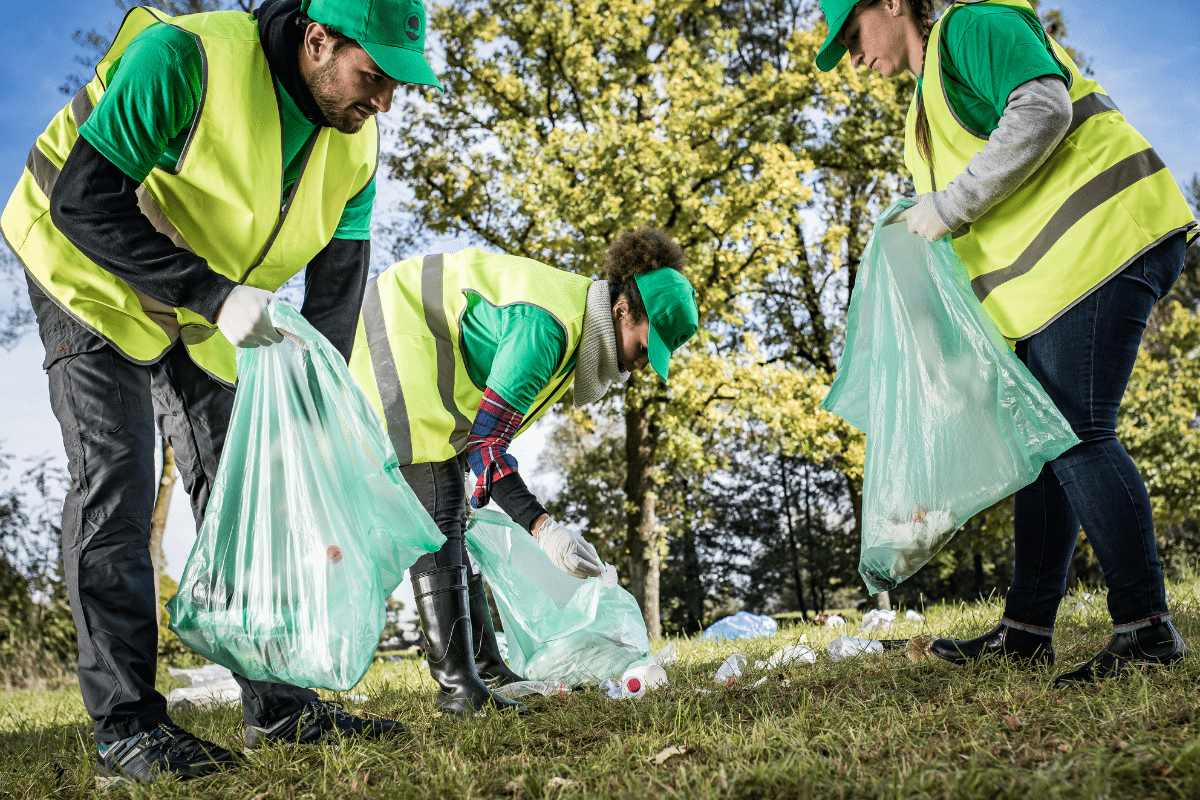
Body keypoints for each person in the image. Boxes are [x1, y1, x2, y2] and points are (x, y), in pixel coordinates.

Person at [2, 0, 443, 785]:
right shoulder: (185, 58)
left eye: (397, 87)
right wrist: (211, 295)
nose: (383, 103)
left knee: (251, 489)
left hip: (205, 307)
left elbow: (336, 293)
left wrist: (310, 424)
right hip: (84, 271)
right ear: (317, 40)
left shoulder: (356, 146)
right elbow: (80, 201)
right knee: (120, 479)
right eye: (374, 77)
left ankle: (278, 708)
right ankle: (127, 725)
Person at [815, 0, 1197, 685]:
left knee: (1077, 431)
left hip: (1108, 239)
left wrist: (949, 204)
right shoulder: (921, 115)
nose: (852, 56)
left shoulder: (971, 28)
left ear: (892, 3)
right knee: (1044, 446)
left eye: (850, 33)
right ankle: (1025, 632)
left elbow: (1043, 108)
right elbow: (961, 228)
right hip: (1058, 280)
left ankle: (1147, 631)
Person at [349, 228, 698, 715]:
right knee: (437, 505)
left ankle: (488, 671)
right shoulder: (549, 329)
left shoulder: (577, 332)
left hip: (417, 341)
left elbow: (492, 441)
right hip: (397, 330)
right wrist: (543, 528)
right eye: (644, 348)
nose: (641, 364)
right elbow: (486, 446)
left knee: (452, 516)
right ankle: (458, 690)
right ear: (622, 311)